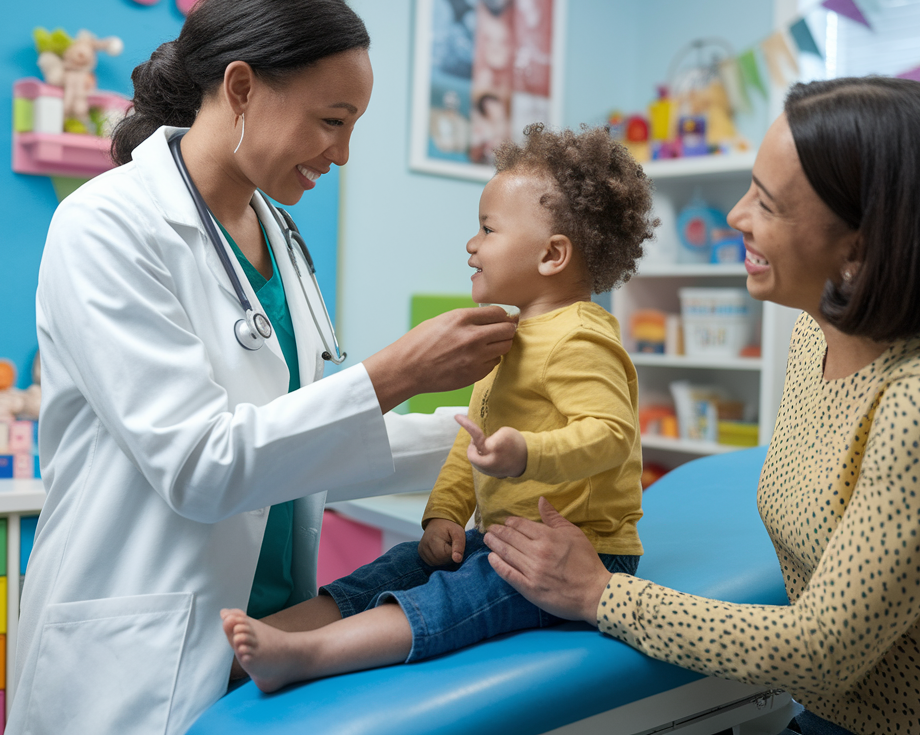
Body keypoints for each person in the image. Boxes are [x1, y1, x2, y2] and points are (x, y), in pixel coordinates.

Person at [7, 0, 517, 735]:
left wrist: (498, 445)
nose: (341, 155)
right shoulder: (107, 226)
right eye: (330, 121)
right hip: (142, 655)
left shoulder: (280, 235)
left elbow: (306, 440)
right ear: (241, 87)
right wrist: (395, 373)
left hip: (274, 633)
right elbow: (202, 467)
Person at [485, 77, 920, 735]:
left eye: (769, 204)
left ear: (858, 249)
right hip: (841, 712)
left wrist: (600, 593)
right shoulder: (821, 324)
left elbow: (821, 654)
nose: (736, 217)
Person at [218, 124, 655, 692]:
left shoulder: (580, 339)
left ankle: (306, 654)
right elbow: (469, 444)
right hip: (504, 536)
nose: (471, 244)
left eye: (488, 229)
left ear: (552, 255)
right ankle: (249, 648)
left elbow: (612, 436)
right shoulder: (510, 335)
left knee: (458, 597)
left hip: (583, 552)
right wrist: (444, 515)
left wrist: (527, 452)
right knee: (397, 566)